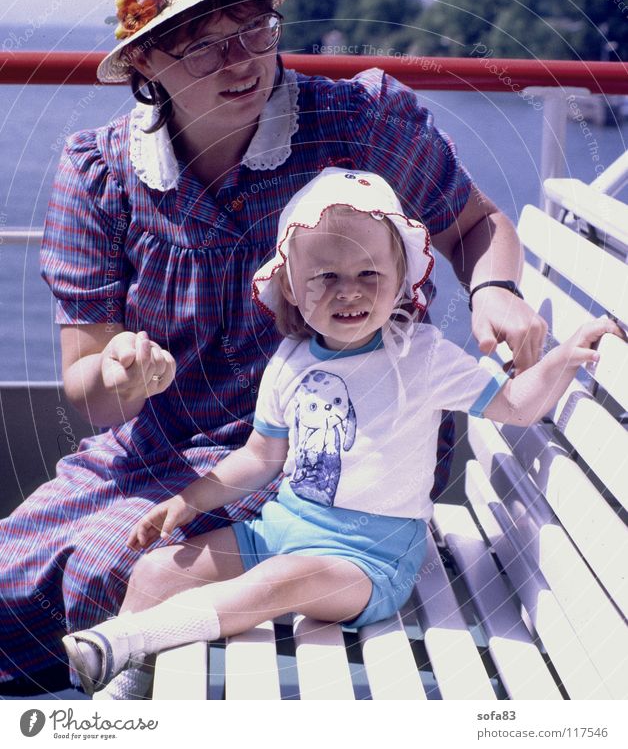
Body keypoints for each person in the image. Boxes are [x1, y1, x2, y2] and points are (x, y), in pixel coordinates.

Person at [0, 0, 547, 694]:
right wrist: (120, 370)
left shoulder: (355, 124)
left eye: (255, 28)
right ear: (145, 63)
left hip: (332, 460)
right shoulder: (100, 175)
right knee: (12, 572)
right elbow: (88, 393)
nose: (243, 60)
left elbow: (474, 224)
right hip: (158, 447)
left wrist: (492, 286)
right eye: (202, 43)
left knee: (112, 568)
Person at [61, 167, 621, 699]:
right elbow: (259, 458)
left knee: (280, 581)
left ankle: (123, 641)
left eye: (368, 275)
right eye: (325, 277)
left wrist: (565, 359)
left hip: (370, 562)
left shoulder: (419, 357)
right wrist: (187, 500)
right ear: (293, 290)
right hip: (280, 531)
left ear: (401, 280)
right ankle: (123, 697)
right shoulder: (290, 360)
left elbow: (515, 405)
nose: (348, 291)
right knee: (159, 570)